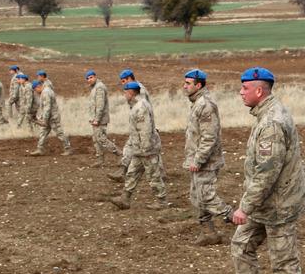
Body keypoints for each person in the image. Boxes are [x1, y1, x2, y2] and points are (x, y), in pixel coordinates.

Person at [226, 67, 305, 274]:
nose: (240, 92)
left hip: (279, 205)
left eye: (245, 88)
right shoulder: (265, 115)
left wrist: (245, 207)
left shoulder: (271, 123)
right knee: (241, 245)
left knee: (284, 260)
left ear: (259, 91)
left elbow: (267, 173)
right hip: (266, 203)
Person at [182, 68, 232, 245]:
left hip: (206, 162)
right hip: (198, 160)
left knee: (205, 196)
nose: (184, 86)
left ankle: (237, 219)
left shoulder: (205, 105)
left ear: (198, 85)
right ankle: (209, 233)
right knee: (197, 196)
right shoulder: (197, 103)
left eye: (188, 83)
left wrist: (198, 160)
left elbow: (209, 137)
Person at [109, 81, 169, 210]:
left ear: (131, 93)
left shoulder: (140, 107)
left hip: (146, 150)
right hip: (139, 150)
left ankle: (162, 202)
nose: (124, 95)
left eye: (125, 93)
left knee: (153, 176)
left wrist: (145, 149)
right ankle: (125, 199)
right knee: (132, 173)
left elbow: (145, 130)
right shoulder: (138, 105)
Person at [86, 69, 122, 167]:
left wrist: (97, 119)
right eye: (88, 78)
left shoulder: (99, 87)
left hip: (100, 120)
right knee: (96, 140)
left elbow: (100, 105)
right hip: (95, 119)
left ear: (95, 77)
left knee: (101, 139)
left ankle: (120, 154)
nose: (89, 80)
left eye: (91, 77)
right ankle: (100, 160)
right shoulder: (94, 87)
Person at [30, 79, 73, 156]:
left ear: (38, 86)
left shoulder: (46, 92)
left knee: (59, 133)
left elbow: (47, 107)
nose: (36, 92)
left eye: (35, 90)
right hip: (49, 117)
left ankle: (68, 149)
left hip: (52, 118)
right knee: (43, 132)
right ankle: (40, 149)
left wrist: (44, 120)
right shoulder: (46, 90)